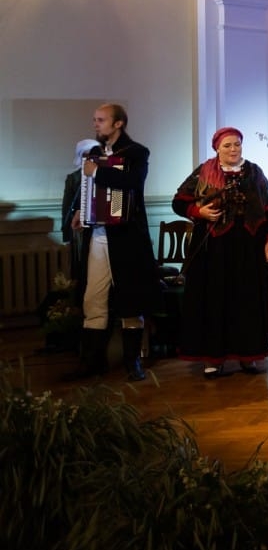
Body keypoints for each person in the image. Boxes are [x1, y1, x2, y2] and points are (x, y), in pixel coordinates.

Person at [63, 105, 160, 382]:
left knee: (131, 298)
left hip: (127, 237)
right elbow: (90, 190)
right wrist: (83, 211)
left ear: (118, 124)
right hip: (100, 234)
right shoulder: (94, 154)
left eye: (101, 120)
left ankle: (133, 363)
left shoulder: (137, 152)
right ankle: (91, 362)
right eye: (94, 120)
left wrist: (98, 173)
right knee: (93, 297)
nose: (96, 124)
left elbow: (132, 183)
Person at [172, 126, 268, 379]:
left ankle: (247, 354)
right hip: (213, 250)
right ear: (217, 148)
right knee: (214, 300)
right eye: (227, 145)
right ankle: (213, 358)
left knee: (246, 300)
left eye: (237, 145)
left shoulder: (254, 172)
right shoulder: (204, 172)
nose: (233, 149)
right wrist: (199, 213)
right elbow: (178, 202)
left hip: (248, 247)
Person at [57, 138, 100, 352]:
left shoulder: (104, 175)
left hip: (99, 233)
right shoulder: (74, 178)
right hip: (79, 235)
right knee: (80, 273)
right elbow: (67, 207)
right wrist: (68, 237)